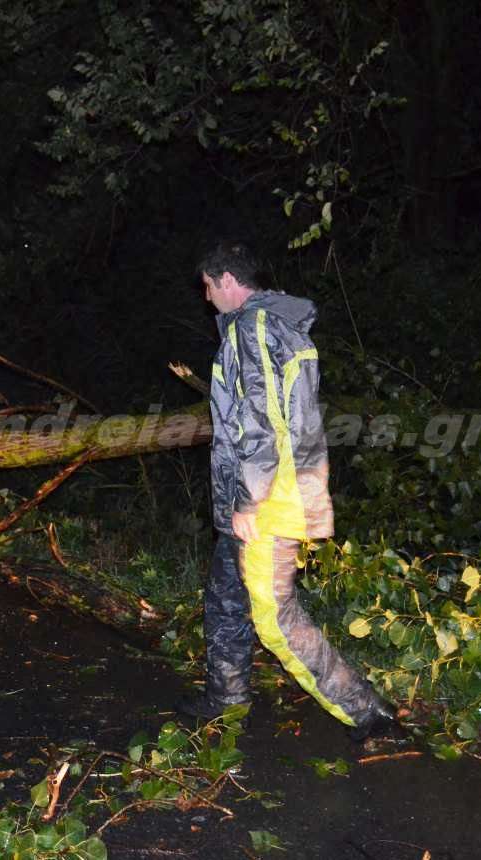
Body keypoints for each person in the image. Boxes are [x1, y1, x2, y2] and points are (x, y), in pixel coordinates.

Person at [178, 240, 399, 741]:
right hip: (268, 493)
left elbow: (261, 421)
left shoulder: (253, 328)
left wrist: (248, 502)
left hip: (266, 501)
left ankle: (368, 713)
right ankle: (226, 697)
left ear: (228, 280)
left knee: (275, 618)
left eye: (209, 288)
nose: (208, 299)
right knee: (225, 599)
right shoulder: (271, 326)